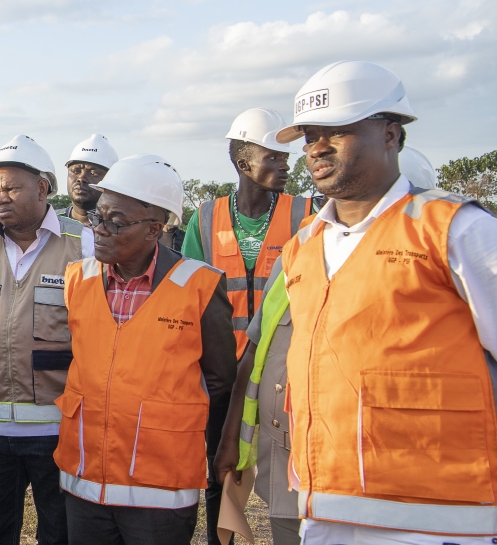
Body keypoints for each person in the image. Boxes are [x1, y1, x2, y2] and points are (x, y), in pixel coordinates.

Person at [272, 61, 497, 543]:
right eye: (310, 135)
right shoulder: (303, 248)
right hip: (326, 510)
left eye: (338, 131)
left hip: (438, 520)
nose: (316, 147)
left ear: (391, 134)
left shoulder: (455, 229)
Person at [56, 154, 236, 544]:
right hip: (84, 480)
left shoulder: (200, 286)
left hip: (161, 490)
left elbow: (220, 381)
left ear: (155, 229)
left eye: (115, 222)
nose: (100, 230)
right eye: (97, 217)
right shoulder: (78, 279)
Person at [177, 108, 310, 544]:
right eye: (273, 157)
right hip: (220, 373)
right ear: (243, 163)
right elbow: (191, 297)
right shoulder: (207, 217)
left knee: (293, 475)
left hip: (281, 374)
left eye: (286, 158)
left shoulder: (306, 214)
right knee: (221, 469)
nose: (285, 166)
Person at [0, 135, 95, 545]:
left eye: (12, 188)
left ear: (42, 187)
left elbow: (96, 333)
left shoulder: (82, 245)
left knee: (59, 533)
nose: (1, 197)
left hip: (57, 428)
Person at [212, 258, 299, 545]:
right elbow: (254, 352)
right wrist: (230, 439)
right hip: (286, 463)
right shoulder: (295, 255)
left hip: (359, 472)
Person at [57, 134, 118, 225]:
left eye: (93, 173)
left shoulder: (119, 229)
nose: (81, 178)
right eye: (76, 171)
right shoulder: (49, 223)